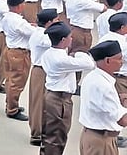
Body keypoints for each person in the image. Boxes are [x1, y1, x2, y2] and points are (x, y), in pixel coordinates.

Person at [40, 21, 96, 155]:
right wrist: (79, 52)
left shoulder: (50, 53)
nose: (72, 39)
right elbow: (89, 64)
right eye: (70, 37)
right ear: (63, 40)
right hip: (59, 100)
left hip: (54, 96)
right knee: (56, 137)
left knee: (52, 135)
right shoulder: (60, 59)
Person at [79, 40, 127, 155]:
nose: (122, 62)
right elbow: (123, 121)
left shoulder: (93, 77)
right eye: (119, 58)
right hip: (101, 142)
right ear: (108, 61)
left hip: (92, 136)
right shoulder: (104, 86)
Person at [1, 0, 36, 121]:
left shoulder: (7, 17)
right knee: (17, 82)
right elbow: (32, 33)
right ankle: (12, 109)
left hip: (10, 50)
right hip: (19, 53)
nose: (24, 5)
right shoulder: (18, 21)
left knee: (11, 80)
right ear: (18, 6)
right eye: (23, 3)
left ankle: (10, 104)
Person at [27, 9, 59, 146]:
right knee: (38, 103)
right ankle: (36, 134)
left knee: (44, 102)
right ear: (49, 22)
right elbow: (54, 43)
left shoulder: (42, 33)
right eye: (56, 20)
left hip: (45, 70)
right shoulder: (42, 36)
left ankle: (42, 130)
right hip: (41, 70)